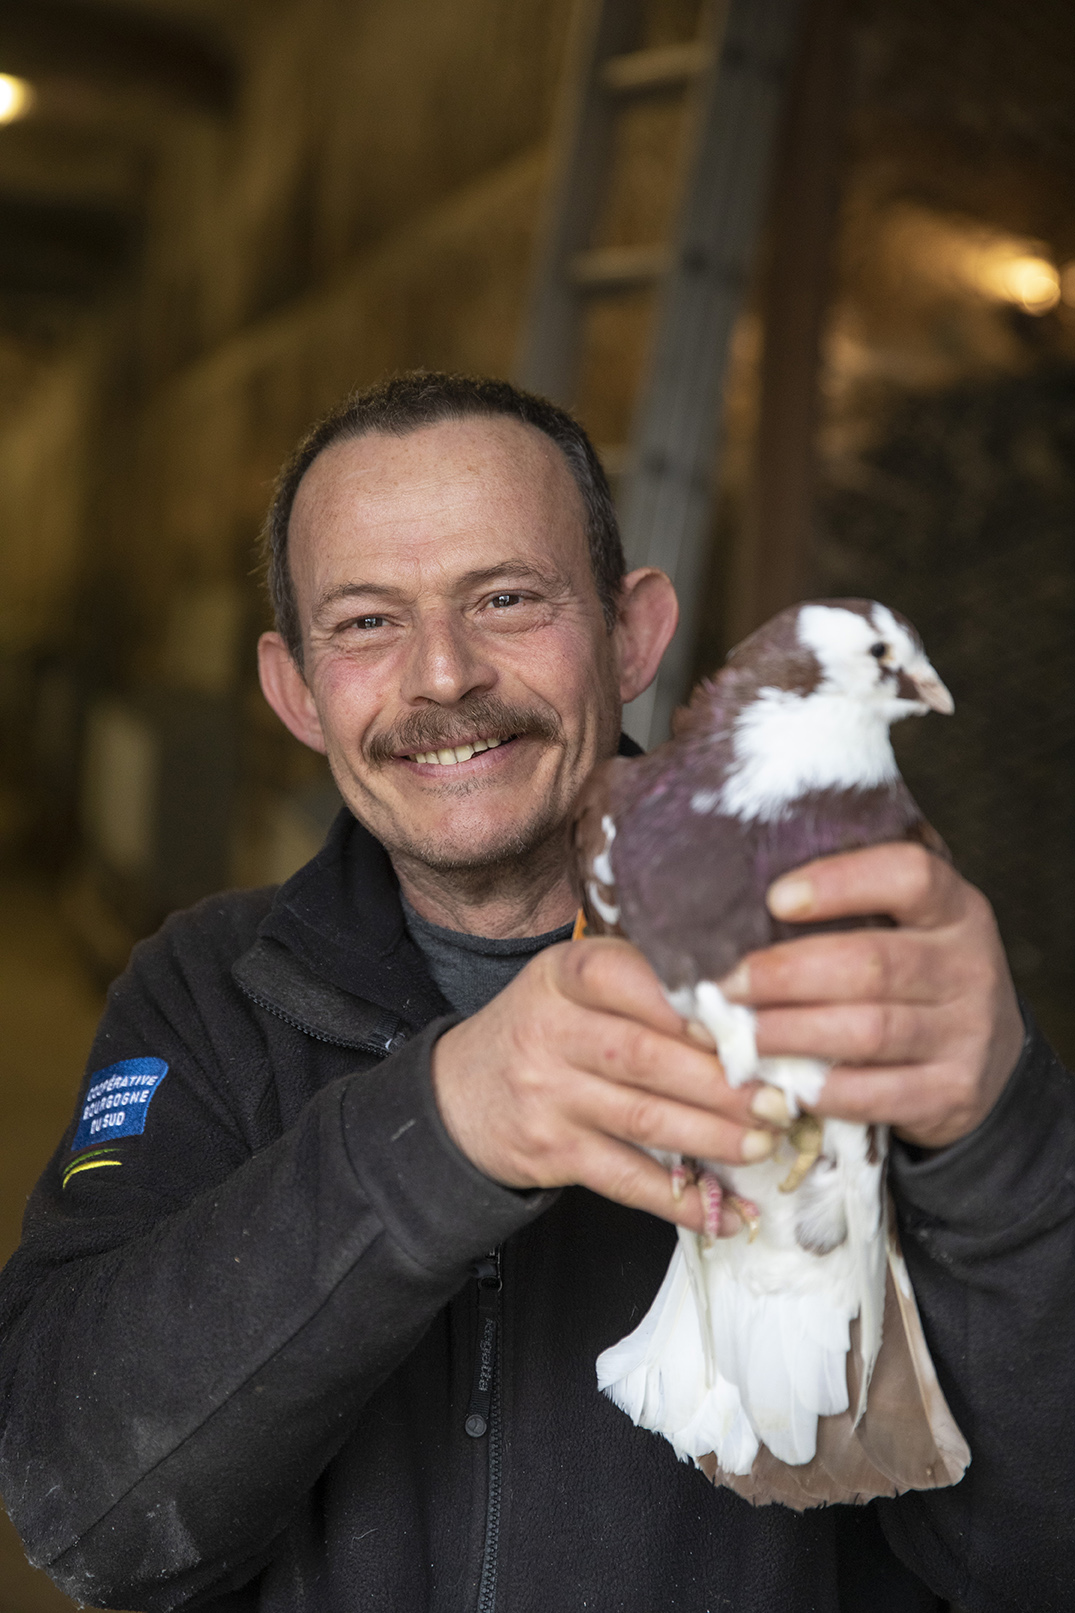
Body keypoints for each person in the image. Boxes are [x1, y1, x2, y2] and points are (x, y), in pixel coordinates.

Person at [0, 372, 1070, 1613]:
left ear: (632, 634)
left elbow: (1035, 1556)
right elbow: (82, 1509)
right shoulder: (209, 995)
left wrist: (1006, 1144)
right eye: (364, 623)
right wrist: (443, 1123)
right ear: (294, 690)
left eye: (505, 598)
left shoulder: (857, 969)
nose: (443, 674)